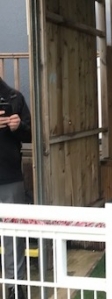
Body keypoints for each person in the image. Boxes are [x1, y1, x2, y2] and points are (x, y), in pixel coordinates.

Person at [0, 77, 31, 299]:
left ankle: (15, 285)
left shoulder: (14, 97)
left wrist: (18, 127)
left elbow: (30, 134)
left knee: (13, 233)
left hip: (10, 176)